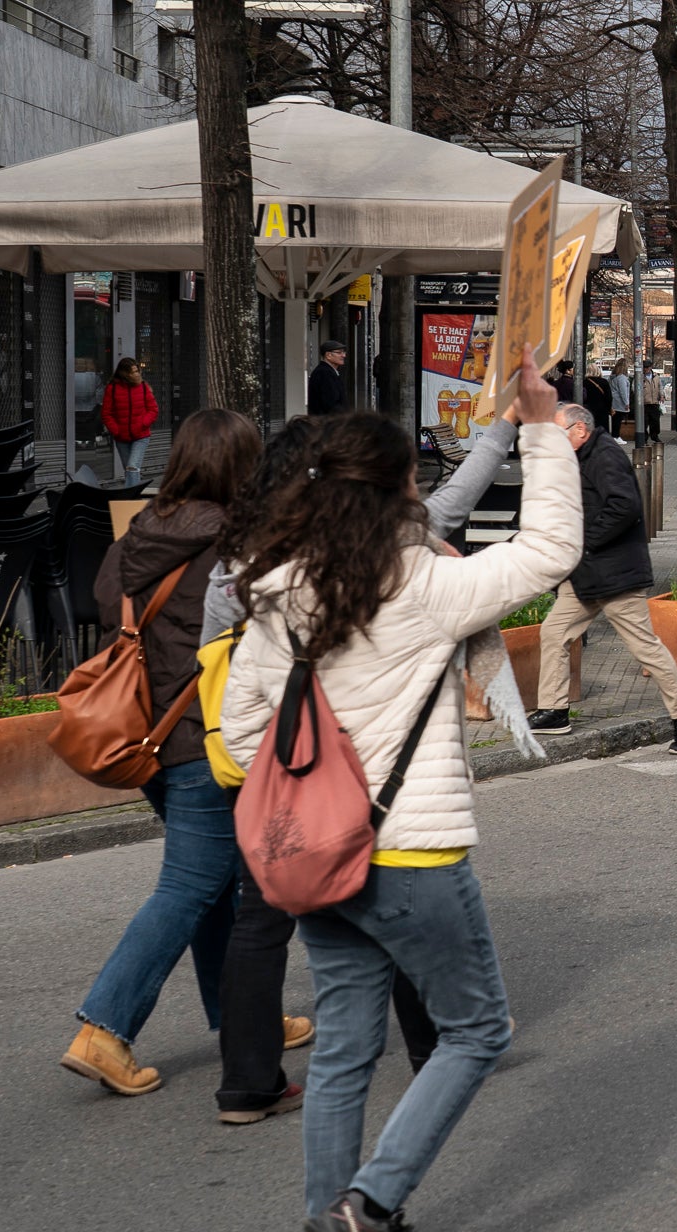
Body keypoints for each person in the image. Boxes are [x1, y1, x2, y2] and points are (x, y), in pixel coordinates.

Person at [222, 351, 582, 1232]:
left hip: (316, 855)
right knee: (475, 1028)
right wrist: (542, 424)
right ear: (389, 495)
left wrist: (326, 774)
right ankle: (364, 1211)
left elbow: (242, 731)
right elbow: (548, 552)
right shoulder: (419, 587)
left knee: (343, 1045)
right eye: (413, 479)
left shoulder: (273, 596)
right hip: (411, 849)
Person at [203, 406, 520, 1129]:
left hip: (269, 768)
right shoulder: (372, 554)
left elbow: (233, 678)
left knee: (266, 925)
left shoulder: (246, 565)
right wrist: (507, 430)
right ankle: (428, 1059)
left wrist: (281, 771)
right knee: (411, 915)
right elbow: (489, 524)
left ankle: (249, 1085)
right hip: (346, 778)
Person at [61, 409, 264, 1099]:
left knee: (209, 880)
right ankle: (106, 1026)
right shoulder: (232, 541)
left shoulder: (143, 528)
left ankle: (243, 1013)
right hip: (201, 735)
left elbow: (102, 596)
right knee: (190, 885)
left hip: (145, 733)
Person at [527, 402, 677, 753]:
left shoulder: (606, 455)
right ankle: (554, 710)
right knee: (554, 632)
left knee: (643, 646)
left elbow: (624, 507)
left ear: (579, 430)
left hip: (615, 573)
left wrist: (583, 542)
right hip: (586, 575)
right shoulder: (577, 458)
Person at [100, 357, 161, 486]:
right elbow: (106, 414)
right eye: (133, 372)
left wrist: (142, 424)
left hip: (141, 436)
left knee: (132, 467)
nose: (136, 374)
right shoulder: (112, 388)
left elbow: (153, 410)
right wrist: (116, 430)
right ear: (124, 373)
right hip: (121, 438)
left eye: (137, 371)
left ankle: (131, 500)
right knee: (130, 470)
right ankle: (135, 495)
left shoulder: (143, 387)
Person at [307, 341, 349, 417]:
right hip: (327, 423)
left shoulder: (329, 371)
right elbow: (331, 403)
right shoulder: (325, 373)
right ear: (328, 355)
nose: (344, 355)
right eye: (339, 353)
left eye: (344, 352)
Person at [608, 358, 633, 440]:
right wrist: (626, 403)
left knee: (615, 419)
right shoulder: (622, 378)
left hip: (613, 401)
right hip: (620, 402)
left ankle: (615, 436)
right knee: (618, 420)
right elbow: (623, 391)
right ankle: (616, 436)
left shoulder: (612, 377)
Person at [642, 366, 663, 439]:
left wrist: (661, 395)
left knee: (655, 420)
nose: (645, 369)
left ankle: (654, 435)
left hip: (654, 402)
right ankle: (645, 437)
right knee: (644, 421)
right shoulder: (640, 376)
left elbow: (660, 386)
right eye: (644, 368)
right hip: (645, 402)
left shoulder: (656, 376)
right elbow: (634, 387)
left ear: (650, 368)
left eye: (647, 368)